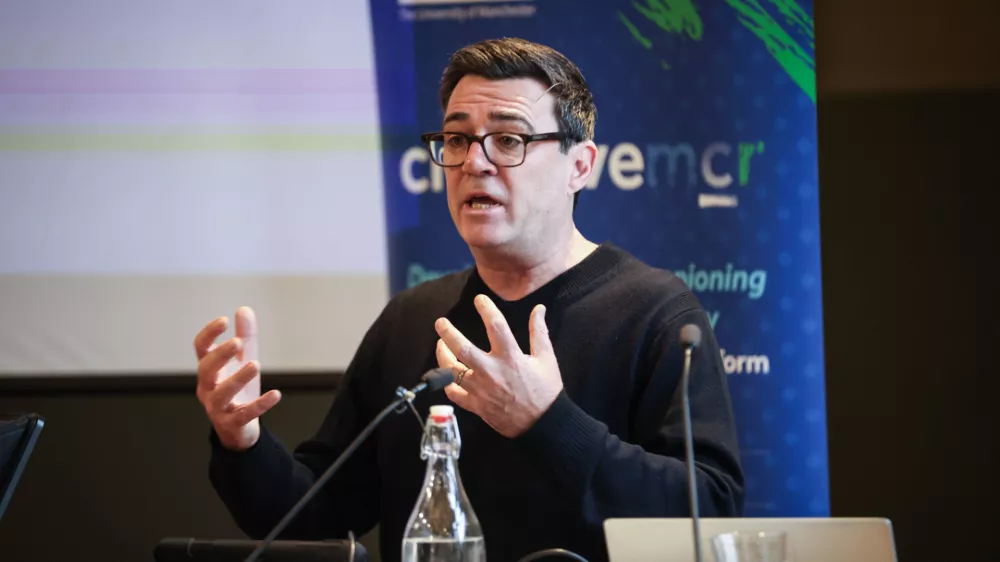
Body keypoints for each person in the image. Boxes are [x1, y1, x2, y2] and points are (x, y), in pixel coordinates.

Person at [194, 37, 744, 562]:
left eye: (509, 139)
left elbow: (709, 513)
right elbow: (316, 519)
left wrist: (547, 422)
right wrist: (242, 443)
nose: (474, 162)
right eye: (457, 139)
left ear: (580, 165)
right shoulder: (412, 319)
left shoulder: (657, 314)